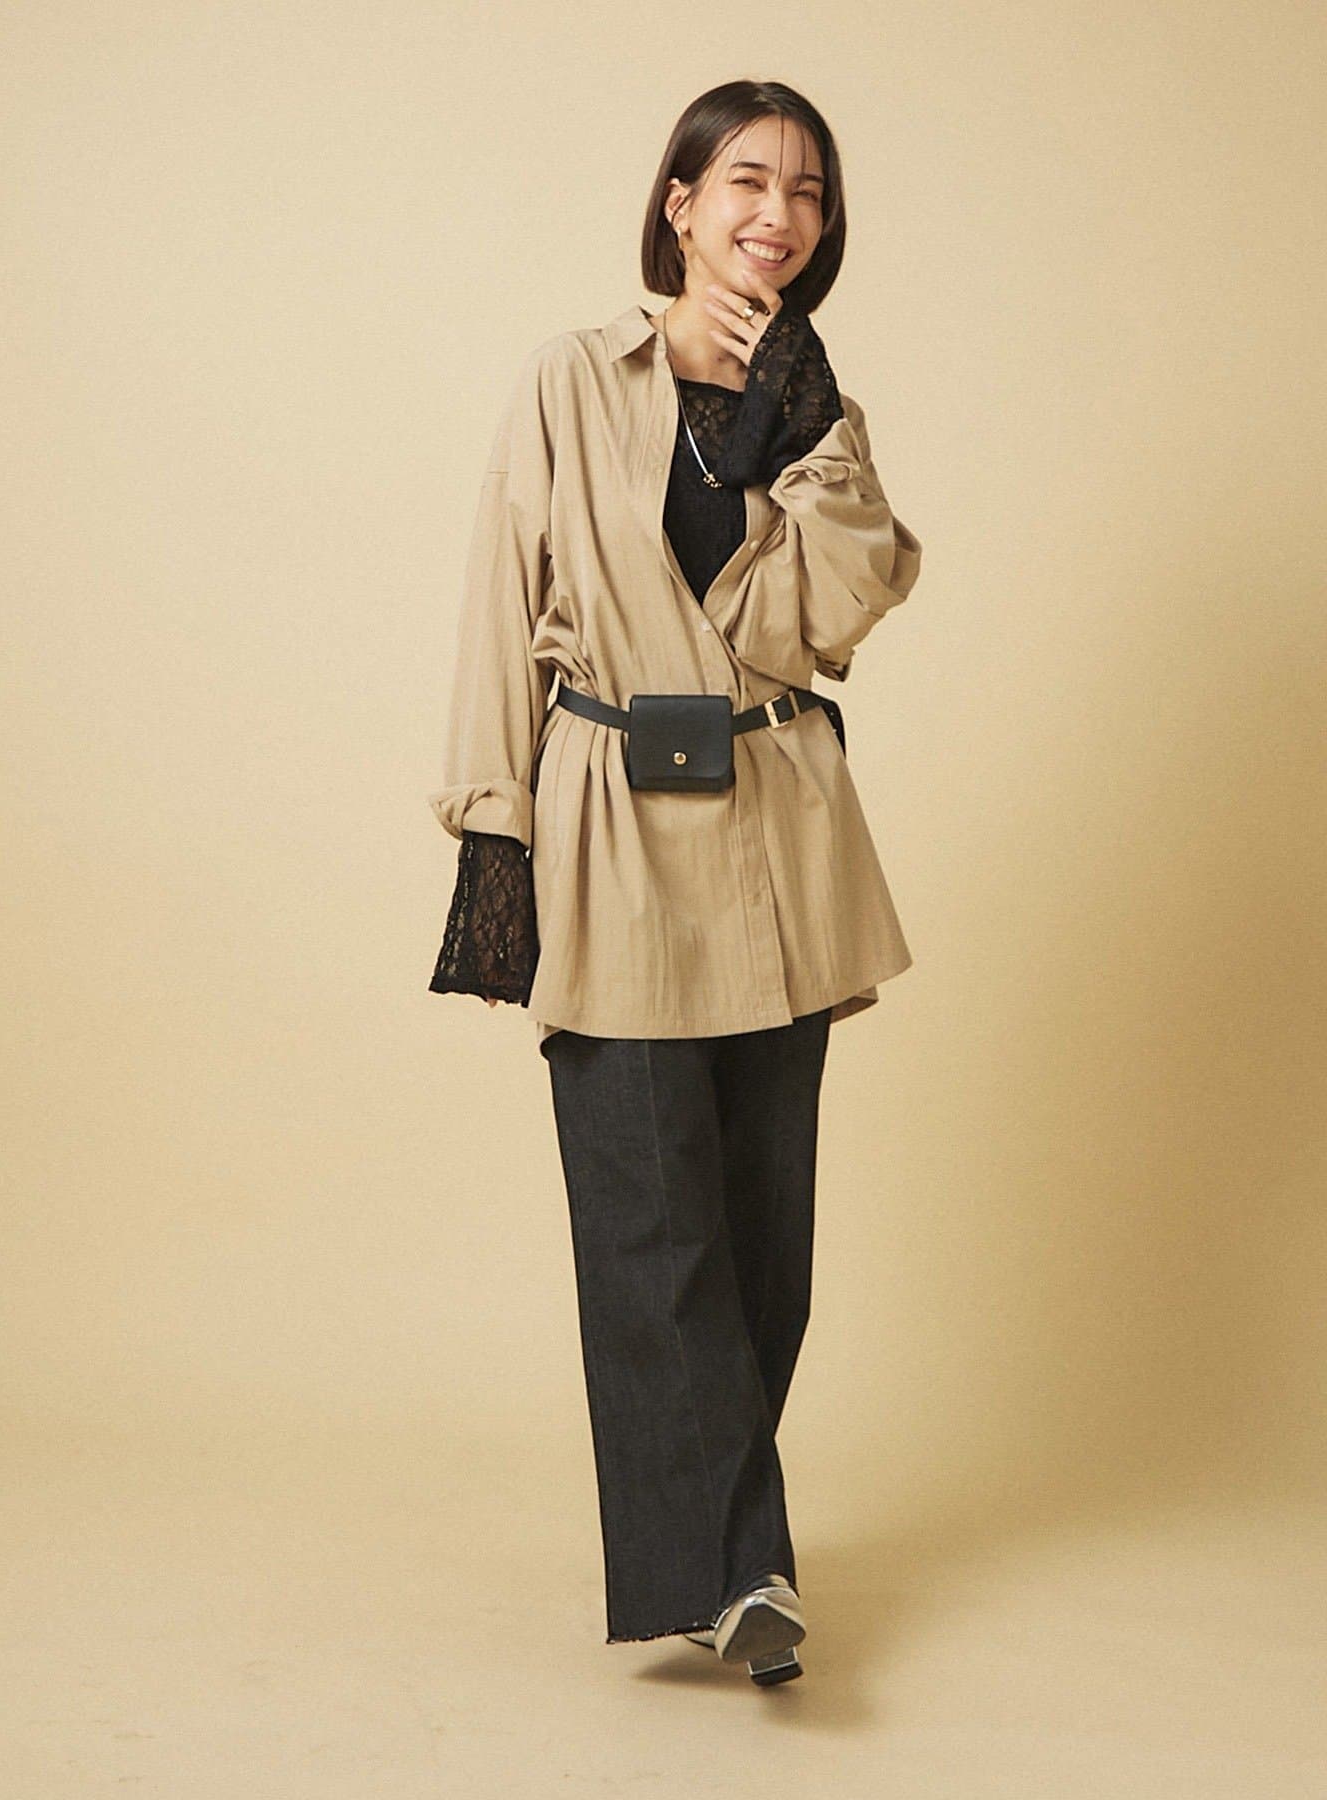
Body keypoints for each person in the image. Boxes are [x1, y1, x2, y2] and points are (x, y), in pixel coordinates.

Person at [427, 80, 922, 1685]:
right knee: (651, 1222)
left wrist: (811, 437)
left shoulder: (818, 408)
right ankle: (740, 1573)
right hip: (616, 830)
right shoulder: (576, 378)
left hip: (779, 834)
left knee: (765, 1235)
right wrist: (494, 835)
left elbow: (835, 612)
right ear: (681, 205)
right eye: (749, 182)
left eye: (809, 193)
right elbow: (503, 597)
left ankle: (722, 1561)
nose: (780, 214)